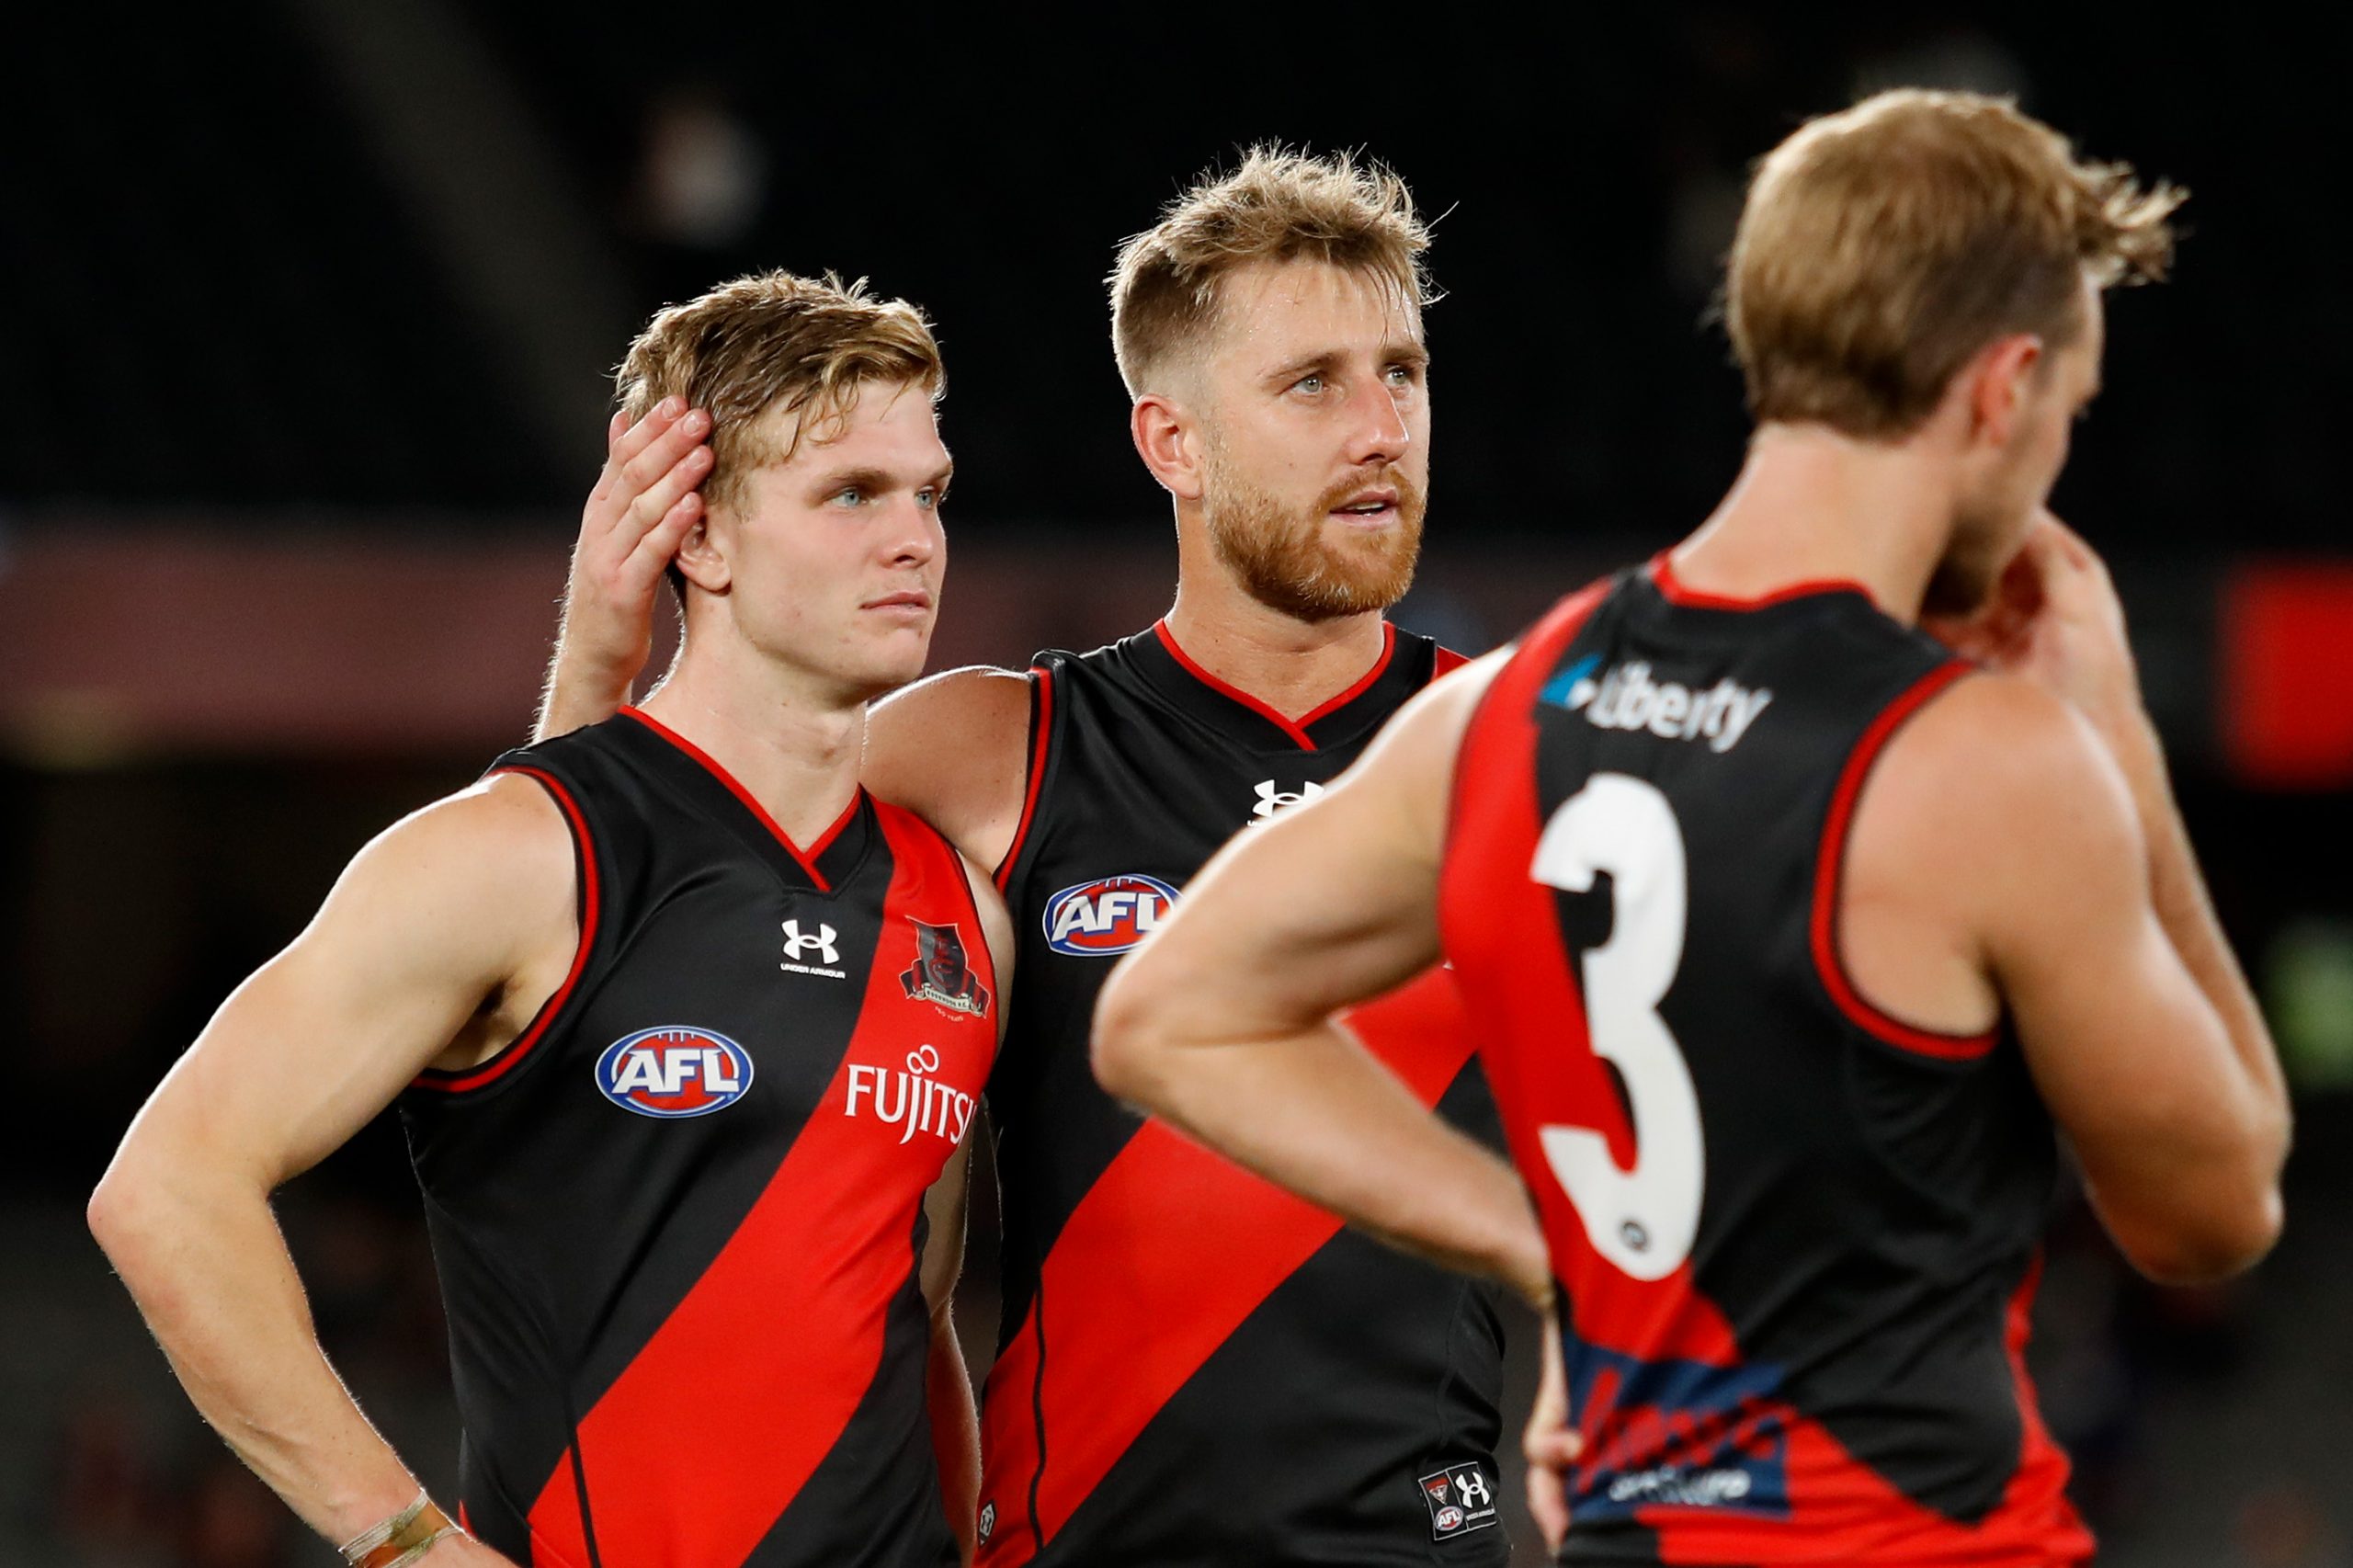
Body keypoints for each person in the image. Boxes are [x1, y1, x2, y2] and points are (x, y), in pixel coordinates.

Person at [1093, 90, 2291, 1566]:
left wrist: (1550, 1248)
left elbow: (1164, 1015)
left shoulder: (1509, 713)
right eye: (2070, 411)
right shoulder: (1986, 760)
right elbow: (2214, 1209)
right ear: (2002, 389)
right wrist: (2112, 729)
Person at [542, 150, 1514, 1566]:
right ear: (1173, 442)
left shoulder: (1527, 763)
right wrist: (596, 652)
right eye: (1312, 383)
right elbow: (584, 916)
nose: (1380, 427)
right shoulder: (995, 749)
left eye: (1404, 374)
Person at [89, 271, 1012, 1568]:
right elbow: (166, 1187)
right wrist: (405, 1541)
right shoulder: (513, 855)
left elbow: (920, 1313)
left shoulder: (961, 914)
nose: (916, 538)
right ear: (700, 535)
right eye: (851, 493)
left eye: (930, 492)